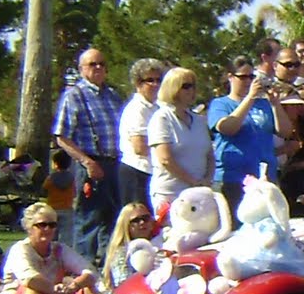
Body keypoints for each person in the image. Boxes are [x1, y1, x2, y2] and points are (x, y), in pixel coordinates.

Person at [52, 48, 124, 266]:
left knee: (113, 219)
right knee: (88, 221)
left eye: (102, 63)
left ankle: (109, 269)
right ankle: (83, 269)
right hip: (89, 165)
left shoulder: (113, 96)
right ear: (81, 69)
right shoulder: (74, 96)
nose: (99, 68)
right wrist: (87, 162)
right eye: (93, 64)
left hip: (115, 164)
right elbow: (62, 137)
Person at [209, 56, 291, 216]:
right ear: (231, 77)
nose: (248, 81)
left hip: (264, 178)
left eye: (251, 77)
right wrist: (249, 98)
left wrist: (275, 104)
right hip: (234, 179)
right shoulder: (221, 104)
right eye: (243, 77)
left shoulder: (263, 104)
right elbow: (227, 128)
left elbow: (285, 131)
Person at [148, 67, 213, 214]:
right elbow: (165, 159)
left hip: (200, 193)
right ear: (173, 88)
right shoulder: (162, 118)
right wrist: (192, 181)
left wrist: (207, 180)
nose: (192, 90)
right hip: (171, 193)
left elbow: (209, 154)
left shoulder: (198, 120)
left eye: (193, 86)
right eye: (186, 86)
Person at [117, 58, 165, 208]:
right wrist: (168, 153)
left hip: (153, 172)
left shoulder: (157, 107)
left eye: (159, 80)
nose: (156, 84)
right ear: (138, 83)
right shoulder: (137, 109)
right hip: (137, 173)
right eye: (150, 80)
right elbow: (140, 147)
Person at [101, 202, 157, 294]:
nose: (142, 222)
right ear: (126, 225)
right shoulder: (121, 252)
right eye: (136, 220)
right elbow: (124, 285)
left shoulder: (159, 242)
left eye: (145, 218)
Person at [43, 149, 76, 226]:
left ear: (55, 164)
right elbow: (74, 193)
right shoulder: (72, 179)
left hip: (52, 208)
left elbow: (44, 190)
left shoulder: (50, 178)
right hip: (67, 208)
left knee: (52, 230)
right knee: (66, 231)